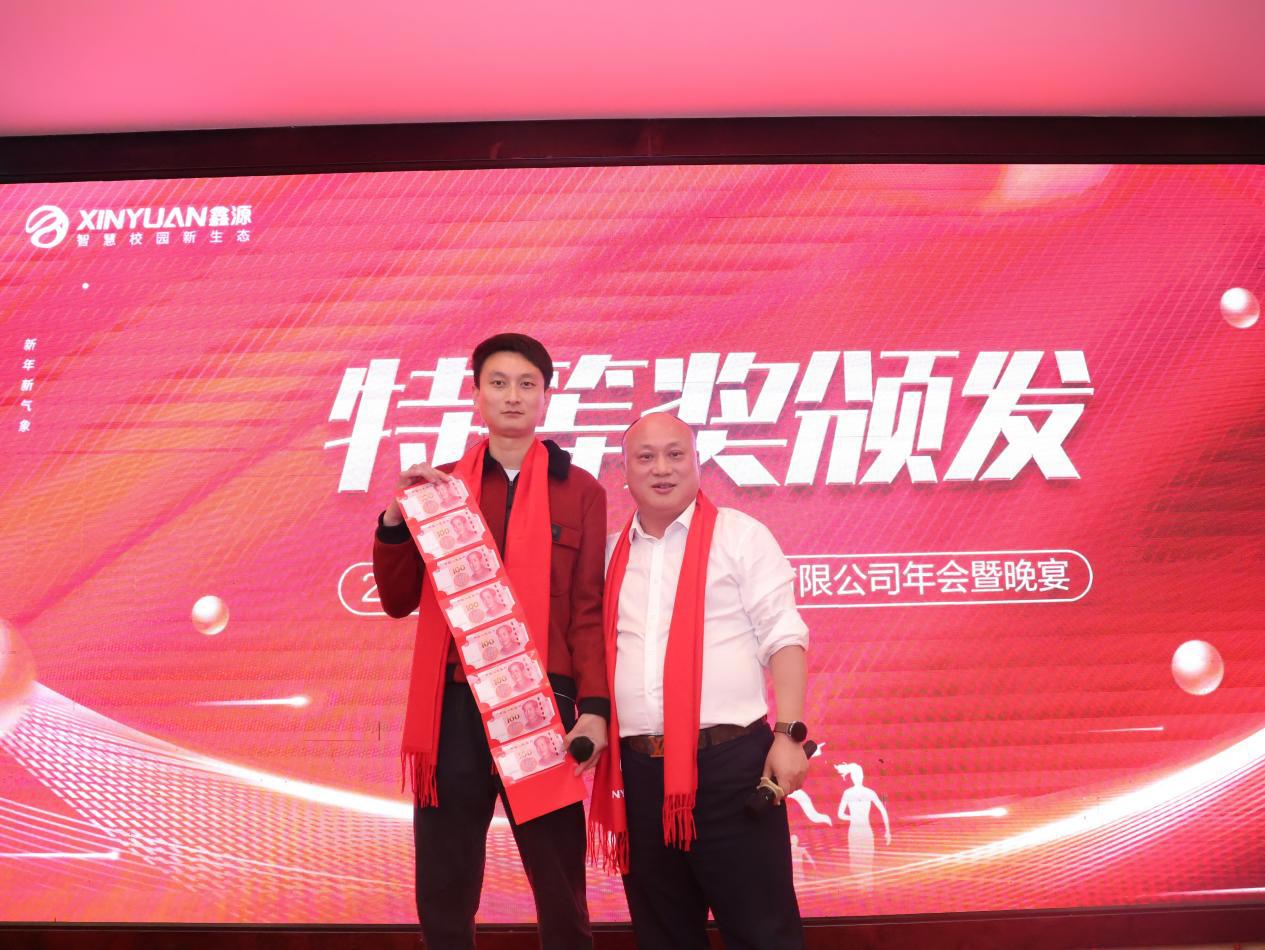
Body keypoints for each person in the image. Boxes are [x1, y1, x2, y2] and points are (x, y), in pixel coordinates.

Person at [373, 333, 609, 950]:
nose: (512, 396)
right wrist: (397, 519)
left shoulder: (581, 491)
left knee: (560, 887)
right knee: (445, 887)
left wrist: (594, 708)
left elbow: (587, 612)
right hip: (455, 706)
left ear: (546, 396)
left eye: (527, 384)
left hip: (543, 704)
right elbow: (398, 600)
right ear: (476, 394)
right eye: (498, 383)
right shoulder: (440, 487)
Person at [590, 412, 811, 950]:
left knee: (763, 934)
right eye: (646, 457)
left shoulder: (740, 536)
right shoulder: (610, 554)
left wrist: (788, 735)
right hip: (639, 773)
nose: (661, 468)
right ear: (624, 471)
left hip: (730, 768)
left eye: (675, 454)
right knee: (663, 936)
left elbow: (784, 635)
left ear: (696, 462)